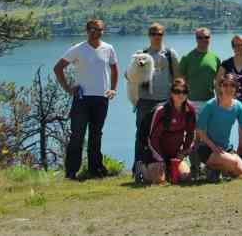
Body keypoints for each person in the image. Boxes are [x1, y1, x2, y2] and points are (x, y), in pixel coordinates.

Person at [54, 19, 119, 180]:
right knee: (77, 135)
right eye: (91, 29)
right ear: (86, 30)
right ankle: (71, 172)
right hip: (82, 99)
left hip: (101, 98)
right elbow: (58, 68)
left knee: (96, 135)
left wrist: (113, 89)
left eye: (98, 29)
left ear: (103, 31)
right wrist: (68, 89)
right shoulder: (78, 49)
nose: (94, 32)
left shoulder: (108, 48)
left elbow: (114, 68)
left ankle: (95, 169)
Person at [130, 22, 181, 175]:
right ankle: (138, 169)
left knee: (165, 135)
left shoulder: (170, 54)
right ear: (149, 35)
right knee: (142, 135)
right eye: (153, 33)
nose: (156, 36)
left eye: (159, 33)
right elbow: (130, 75)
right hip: (145, 101)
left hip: (165, 101)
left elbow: (177, 78)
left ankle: (165, 167)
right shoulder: (142, 54)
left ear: (163, 35)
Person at [195, 73, 242, 179]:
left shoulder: (239, 106)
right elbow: (199, 130)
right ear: (220, 87)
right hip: (208, 148)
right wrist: (213, 147)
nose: (229, 88)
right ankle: (210, 168)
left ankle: (216, 171)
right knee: (233, 163)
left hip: (226, 149)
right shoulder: (211, 105)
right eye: (225, 85)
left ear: (236, 88)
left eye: (232, 85)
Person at [142, 78, 196, 184]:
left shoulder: (190, 110)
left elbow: (191, 134)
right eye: (177, 91)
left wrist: (183, 152)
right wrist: (160, 159)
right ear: (171, 93)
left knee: (185, 178)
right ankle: (143, 167)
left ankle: (169, 170)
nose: (181, 95)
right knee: (159, 181)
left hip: (175, 155)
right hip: (156, 155)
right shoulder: (162, 111)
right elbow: (152, 138)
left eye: (184, 92)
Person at [179, 28, 221, 113]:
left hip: (210, 102)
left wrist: (220, 102)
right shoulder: (187, 58)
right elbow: (180, 82)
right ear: (196, 39)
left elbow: (218, 82)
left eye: (206, 37)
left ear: (210, 38)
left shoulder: (216, 58)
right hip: (191, 103)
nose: (203, 40)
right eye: (200, 37)